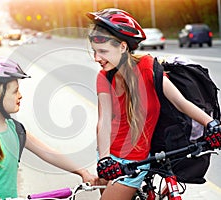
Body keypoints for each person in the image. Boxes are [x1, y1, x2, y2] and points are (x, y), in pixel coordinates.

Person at [86, 8, 221, 200]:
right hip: (108, 157)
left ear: (123, 47)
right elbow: (104, 121)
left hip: (135, 160)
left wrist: (211, 124)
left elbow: (180, 102)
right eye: (94, 52)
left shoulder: (149, 68)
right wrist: (105, 159)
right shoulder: (104, 77)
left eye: (103, 52)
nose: (96, 58)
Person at [0, 56, 97, 200]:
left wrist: (82, 172)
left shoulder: (16, 130)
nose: (20, 96)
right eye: (15, 91)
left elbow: (48, 153)